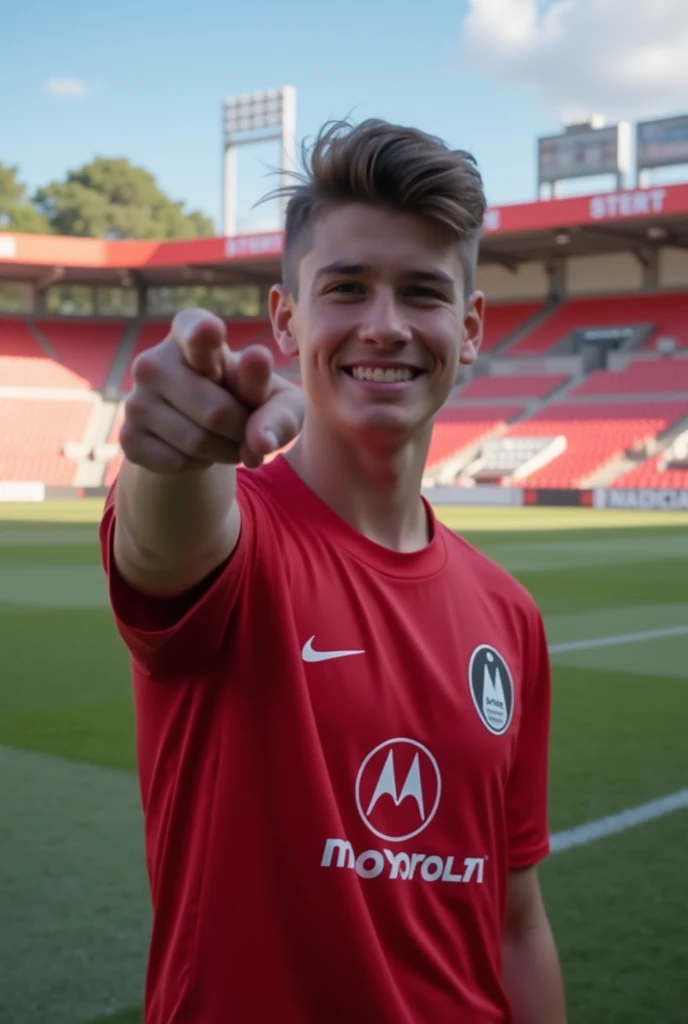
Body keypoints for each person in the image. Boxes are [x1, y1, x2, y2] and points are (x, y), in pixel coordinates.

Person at [100, 118, 566, 1024]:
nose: (385, 327)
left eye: (423, 293)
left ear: (469, 329)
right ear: (287, 318)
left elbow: (516, 924)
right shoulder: (240, 542)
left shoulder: (510, 616)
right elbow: (165, 544)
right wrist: (170, 455)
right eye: (347, 288)